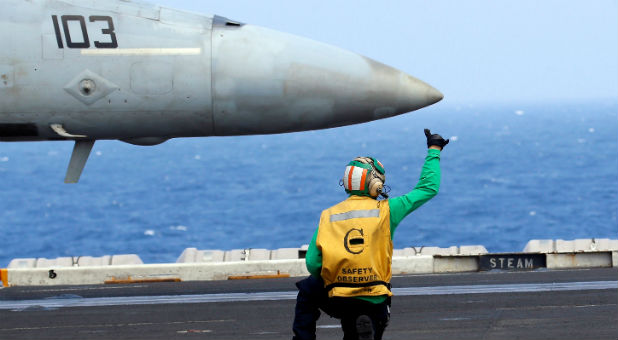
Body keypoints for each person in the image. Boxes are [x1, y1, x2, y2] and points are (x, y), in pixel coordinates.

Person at [292, 129, 449, 340]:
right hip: (375, 297)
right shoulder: (388, 210)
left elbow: (312, 263)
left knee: (307, 290)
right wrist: (434, 149)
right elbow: (428, 188)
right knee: (364, 327)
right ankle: (367, 327)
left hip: (338, 295)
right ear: (376, 184)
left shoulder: (328, 216)